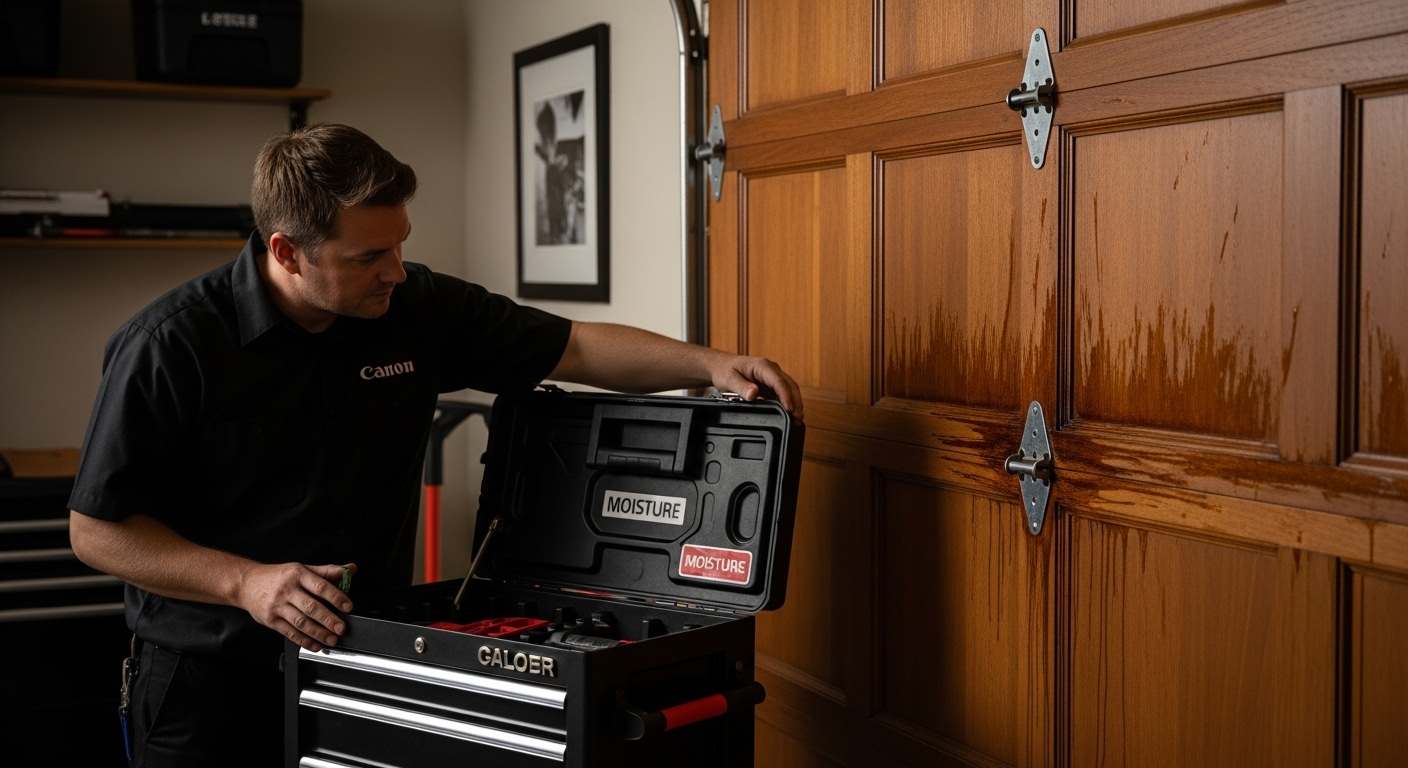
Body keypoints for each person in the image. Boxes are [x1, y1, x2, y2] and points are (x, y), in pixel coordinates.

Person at [67, 123, 801, 767]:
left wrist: (707, 365)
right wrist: (247, 584)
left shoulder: (413, 307)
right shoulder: (170, 346)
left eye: (399, 246)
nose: (394, 270)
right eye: (367, 256)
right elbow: (97, 530)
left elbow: (570, 348)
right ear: (287, 252)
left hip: (362, 657)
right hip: (207, 685)